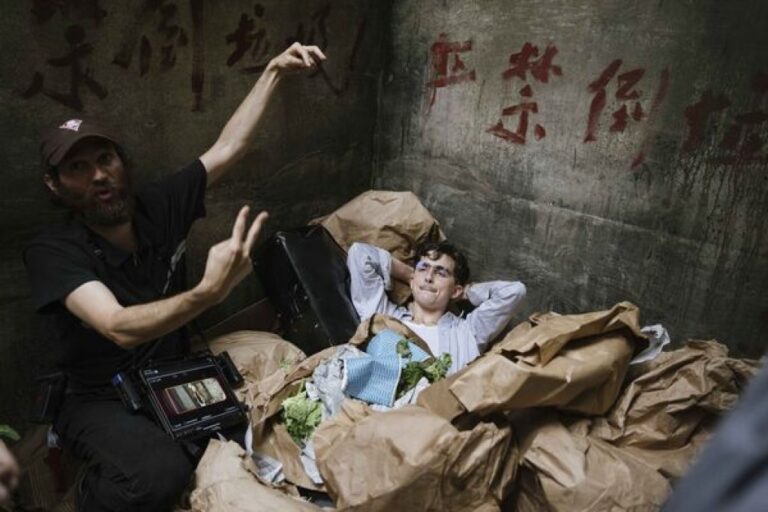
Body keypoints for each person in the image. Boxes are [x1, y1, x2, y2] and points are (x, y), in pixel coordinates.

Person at [23, 42, 326, 511]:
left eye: (105, 160)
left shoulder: (158, 205)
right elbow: (117, 326)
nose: (99, 176)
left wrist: (273, 72)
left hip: (170, 374)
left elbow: (228, 148)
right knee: (161, 475)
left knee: (254, 428)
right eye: (78, 169)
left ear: (122, 162)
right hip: (98, 396)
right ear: (55, 184)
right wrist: (208, 292)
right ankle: (80, 495)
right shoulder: (54, 250)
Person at [347, 241, 526, 374]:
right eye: (423, 268)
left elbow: (514, 292)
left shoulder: (468, 332)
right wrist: (411, 276)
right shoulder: (384, 317)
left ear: (455, 290)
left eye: (441, 273)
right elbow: (359, 254)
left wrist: (464, 292)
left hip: (435, 411)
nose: (429, 277)